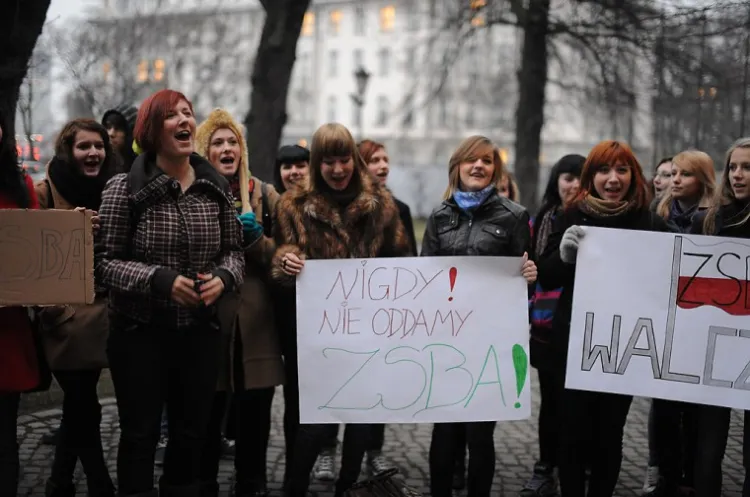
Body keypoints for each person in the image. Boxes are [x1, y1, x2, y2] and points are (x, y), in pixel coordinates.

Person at [95, 89, 245, 497]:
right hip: (139, 334)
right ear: (149, 129)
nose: (184, 120)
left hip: (198, 335)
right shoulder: (122, 188)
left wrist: (223, 278)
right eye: (171, 115)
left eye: (188, 113)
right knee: (141, 437)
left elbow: (234, 252)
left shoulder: (214, 188)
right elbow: (104, 264)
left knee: (189, 436)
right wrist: (159, 280)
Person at [272, 123, 411, 496]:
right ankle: (294, 487)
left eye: (344, 159)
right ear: (317, 163)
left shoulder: (381, 204)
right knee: (311, 422)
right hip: (315, 336)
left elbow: (403, 262)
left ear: (355, 160)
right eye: (329, 161)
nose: (337, 169)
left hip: (367, 333)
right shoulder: (293, 205)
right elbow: (282, 257)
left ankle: (348, 487)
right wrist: (287, 262)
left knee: (361, 418)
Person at [538, 140, 670, 497]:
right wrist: (564, 256)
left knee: (610, 434)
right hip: (574, 344)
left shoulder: (650, 223)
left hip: (621, 349)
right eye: (604, 170)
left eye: (621, 170)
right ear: (591, 176)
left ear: (633, 176)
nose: (613, 179)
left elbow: (670, 280)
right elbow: (546, 277)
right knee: (572, 434)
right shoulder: (570, 216)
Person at [422, 135, 537, 497]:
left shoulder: (514, 216)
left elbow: (522, 289)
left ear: (495, 170)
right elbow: (424, 279)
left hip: (491, 344)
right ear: (456, 167)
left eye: (487, 161)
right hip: (447, 339)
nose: (478, 166)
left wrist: (529, 278)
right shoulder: (439, 217)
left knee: (479, 432)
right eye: (471, 160)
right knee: (444, 428)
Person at [195, 108, 285, 497]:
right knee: (205, 414)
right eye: (218, 142)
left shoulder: (264, 194)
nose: (227, 148)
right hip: (206, 319)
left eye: (233, 142)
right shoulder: (191, 191)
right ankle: (204, 483)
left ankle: (252, 484)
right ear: (205, 150)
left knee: (255, 415)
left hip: (256, 324)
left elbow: (287, 257)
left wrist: (258, 242)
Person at [34, 119, 116, 497]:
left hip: (103, 316)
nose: (93, 153)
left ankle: (60, 481)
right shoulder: (44, 191)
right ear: (69, 151)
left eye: (98, 146)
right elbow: (27, 254)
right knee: (85, 404)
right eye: (84, 146)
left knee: (80, 406)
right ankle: (100, 484)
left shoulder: (115, 189)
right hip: (64, 320)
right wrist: (72, 229)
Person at [640, 150, 717, 497]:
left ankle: (693, 479)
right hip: (664, 327)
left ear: (702, 179)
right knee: (666, 410)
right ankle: (667, 477)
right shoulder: (657, 215)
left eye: (684, 175)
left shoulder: (714, 219)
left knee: (698, 415)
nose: (675, 181)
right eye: (673, 174)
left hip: (701, 328)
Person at [690, 137, 750, 497]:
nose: (738, 175)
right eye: (733, 167)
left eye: (748, 167)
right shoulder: (709, 220)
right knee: (708, 442)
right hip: (714, 345)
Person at [521, 154, 584, 497]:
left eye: (579, 178)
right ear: (556, 181)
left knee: (576, 404)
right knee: (551, 401)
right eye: (567, 177)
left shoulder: (591, 221)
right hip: (545, 325)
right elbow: (532, 267)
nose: (573, 185)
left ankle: (575, 463)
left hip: (580, 324)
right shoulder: (543, 218)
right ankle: (546, 466)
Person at [0, 113, 42, 497]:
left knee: (3, 437)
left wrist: (71, 229)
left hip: (5, 335)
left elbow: (41, 251)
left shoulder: (19, 185)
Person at [271, 142, 310, 485]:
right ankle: (293, 475)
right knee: (295, 398)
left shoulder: (318, 209)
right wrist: (282, 260)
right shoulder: (275, 208)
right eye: (287, 167)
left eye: (300, 165)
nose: (294, 172)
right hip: (289, 322)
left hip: (326, 321)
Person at [102, 104, 138, 174]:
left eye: (118, 128)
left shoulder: (141, 167)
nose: (111, 133)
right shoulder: (98, 163)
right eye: (108, 127)